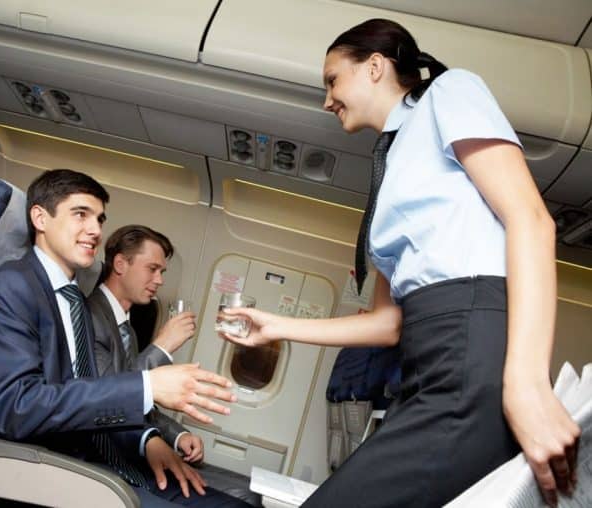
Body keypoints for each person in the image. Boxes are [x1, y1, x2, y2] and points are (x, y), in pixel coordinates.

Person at [220, 18, 580, 508]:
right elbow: (388, 324)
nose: (327, 100)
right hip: (423, 360)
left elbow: (531, 220)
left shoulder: (449, 93)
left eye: (332, 80)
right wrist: (275, 327)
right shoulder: (390, 165)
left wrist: (527, 383)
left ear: (374, 66)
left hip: (471, 349)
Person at [0, 169, 238, 508]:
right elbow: (18, 408)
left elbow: (87, 397)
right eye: (81, 214)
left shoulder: (74, 302)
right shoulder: (5, 290)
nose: (95, 230)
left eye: (99, 219)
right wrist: (147, 386)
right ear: (40, 218)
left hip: (92, 458)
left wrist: (145, 439)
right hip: (38, 470)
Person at [90, 224, 253, 507]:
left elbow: (141, 402)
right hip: (109, 457)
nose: (160, 280)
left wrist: (178, 436)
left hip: (132, 445)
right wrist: (162, 346)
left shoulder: (127, 328)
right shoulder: (90, 316)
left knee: (248, 495)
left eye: (162, 272)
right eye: (152, 269)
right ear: (120, 264)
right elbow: (109, 397)